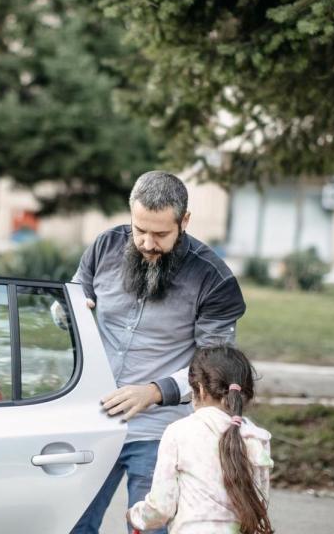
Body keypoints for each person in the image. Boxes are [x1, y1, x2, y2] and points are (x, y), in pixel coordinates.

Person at [71, 171, 247, 534]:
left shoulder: (214, 279)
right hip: (91, 422)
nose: (147, 243)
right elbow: (72, 299)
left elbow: (214, 366)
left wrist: (154, 391)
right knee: (73, 525)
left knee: (152, 529)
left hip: (160, 432)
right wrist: (70, 314)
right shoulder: (105, 246)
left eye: (161, 234)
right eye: (139, 230)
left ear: (184, 221)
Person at [127, 346, 273, 534]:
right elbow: (260, 504)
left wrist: (136, 515)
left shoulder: (179, 432)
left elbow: (161, 509)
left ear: (201, 390)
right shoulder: (257, 437)